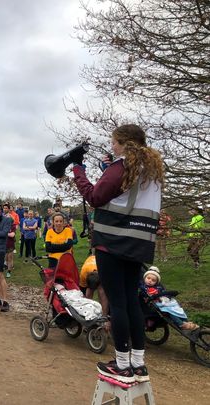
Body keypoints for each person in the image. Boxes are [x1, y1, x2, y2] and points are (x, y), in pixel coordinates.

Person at [73, 124, 163, 383]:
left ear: (125, 143)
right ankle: (138, 362)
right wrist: (108, 168)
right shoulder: (151, 170)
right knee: (131, 301)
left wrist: (79, 172)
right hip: (138, 243)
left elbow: (95, 196)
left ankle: (122, 363)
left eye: (114, 142)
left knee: (118, 303)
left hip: (112, 242)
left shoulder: (122, 167)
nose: (112, 146)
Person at [142, 266, 198, 331]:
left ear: (156, 282)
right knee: (169, 311)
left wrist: (167, 297)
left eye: (153, 280)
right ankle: (181, 324)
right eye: (148, 278)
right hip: (155, 304)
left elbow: (164, 293)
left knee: (176, 308)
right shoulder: (144, 287)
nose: (150, 281)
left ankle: (185, 321)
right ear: (144, 278)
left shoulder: (159, 287)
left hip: (163, 302)